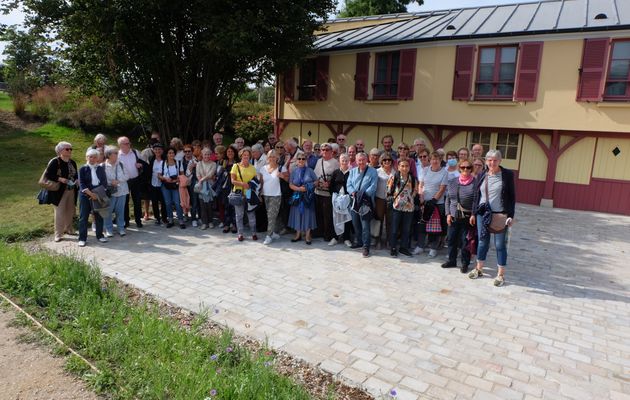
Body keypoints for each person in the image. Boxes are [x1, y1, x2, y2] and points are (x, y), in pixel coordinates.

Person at [469, 150, 516, 287]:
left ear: (500, 161)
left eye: (495, 160)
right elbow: (477, 196)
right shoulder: (482, 174)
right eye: (489, 159)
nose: (492, 162)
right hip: (482, 214)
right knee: (483, 242)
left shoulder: (507, 175)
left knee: (500, 245)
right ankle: (479, 269)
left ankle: (500, 274)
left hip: (500, 215)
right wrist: (473, 213)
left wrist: (511, 216)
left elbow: (512, 197)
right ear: (486, 161)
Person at [443, 159, 475, 272]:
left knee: (465, 241)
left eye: (468, 167)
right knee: (451, 239)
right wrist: (447, 214)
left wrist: (473, 214)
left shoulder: (475, 183)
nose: (465, 169)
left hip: (467, 217)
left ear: (471, 169)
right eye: (463, 167)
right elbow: (447, 199)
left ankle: (465, 263)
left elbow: (477, 201)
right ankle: (452, 260)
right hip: (453, 216)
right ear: (459, 168)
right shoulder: (453, 181)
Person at [46, 141, 79, 242]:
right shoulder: (55, 161)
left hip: (72, 190)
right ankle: (58, 234)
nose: (70, 151)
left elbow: (76, 174)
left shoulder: (72, 162)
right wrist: (60, 179)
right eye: (67, 149)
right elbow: (48, 175)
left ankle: (69, 229)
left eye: (70, 149)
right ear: (60, 151)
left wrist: (77, 180)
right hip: (59, 191)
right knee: (59, 212)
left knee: (70, 211)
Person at [347, 153, 378, 257]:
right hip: (354, 201)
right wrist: (354, 193)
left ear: (367, 160)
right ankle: (359, 241)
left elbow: (373, 187)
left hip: (365, 202)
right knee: (356, 223)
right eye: (359, 160)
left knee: (365, 225)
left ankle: (366, 246)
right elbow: (349, 185)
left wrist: (363, 195)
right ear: (356, 161)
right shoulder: (352, 171)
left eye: (363, 160)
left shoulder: (373, 171)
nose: (361, 162)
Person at [418, 151, 448, 257]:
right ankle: (420, 246)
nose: (434, 161)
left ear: (440, 160)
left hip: (437, 203)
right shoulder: (425, 170)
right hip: (424, 201)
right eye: (433, 159)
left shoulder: (444, 172)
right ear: (430, 160)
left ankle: (433, 248)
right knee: (422, 224)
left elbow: (442, 188)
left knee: (435, 227)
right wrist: (421, 197)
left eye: (437, 159)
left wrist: (433, 200)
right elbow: (421, 185)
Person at [387, 158, 417, 257]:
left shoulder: (412, 178)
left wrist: (410, 198)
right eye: (402, 166)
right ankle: (393, 248)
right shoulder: (394, 177)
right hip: (396, 207)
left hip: (409, 208)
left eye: (406, 166)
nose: (404, 168)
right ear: (398, 167)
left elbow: (415, 191)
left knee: (406, 229)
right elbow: (389, 191)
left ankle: (403, 248)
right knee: (394, 229)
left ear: (409, 167)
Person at [78, 148, 108, 247]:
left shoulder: (100, 168)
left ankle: (100, 235)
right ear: (87, 157)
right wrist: (91, 194)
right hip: (85, 195)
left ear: (98, 158)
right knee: (84, 217)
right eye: (90, 157)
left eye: (95, 157)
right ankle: (82, 238)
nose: (92, 159)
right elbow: (81, 183)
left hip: (98, 195)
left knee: (99, 216)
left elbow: (104, 183)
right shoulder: (83, 169)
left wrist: (97, 194)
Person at [288, 152, 317, 244]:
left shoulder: (310, 170)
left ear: (306, 160)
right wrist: (299, 189)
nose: (301, 160)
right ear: (296, 160)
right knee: (297, 214)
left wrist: (309, 186)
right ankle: (298, 234)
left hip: (307, 196)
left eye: (303, 159)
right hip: (297, 196)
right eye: (299, 158)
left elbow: (316, 181)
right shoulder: (294, 171)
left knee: (308, 214)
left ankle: (307, 235)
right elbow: (290, 184)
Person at [313, 142, 339, 244]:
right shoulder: (319, 161)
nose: (324, 151)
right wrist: (319, 182)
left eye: (327, 150)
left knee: (327, 215)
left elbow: (337, 176)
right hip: (318, 191)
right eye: (322, 150)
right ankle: (319, 232)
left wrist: (329, 183)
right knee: (318, 213)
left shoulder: (335, 162)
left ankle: (327, 234)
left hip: (328, 193)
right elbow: (315, 174)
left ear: (331, 151)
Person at [117, 136, 146, 229]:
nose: (128, 145)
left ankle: (138, 220)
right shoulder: (117, 155)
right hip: (124, 182)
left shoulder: (135, 152)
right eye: (126, 143)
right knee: (125, 202)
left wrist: (140, 165)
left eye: (129, 143)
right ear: (120, 145)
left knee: (137, 201)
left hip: (136, 180)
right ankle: (126, 221)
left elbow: (143, 163)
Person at [230, 148, 258, 241]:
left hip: (250, 194)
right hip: (238, 193)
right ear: (241, 156)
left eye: (247, 155)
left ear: (250, 156)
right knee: (239, 215)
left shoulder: (252, 167)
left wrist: (251, 184)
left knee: (251, 215)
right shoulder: (235, 166)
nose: (246, 156)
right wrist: (242, 184)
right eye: (244, 155)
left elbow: (255, 180)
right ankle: (240, 234)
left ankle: (253, 233)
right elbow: (232, 181)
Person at [103, 145, 129, 237]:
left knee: (120, 211)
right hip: (110, 192)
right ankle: (109, 229)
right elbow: (102, 179)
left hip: (122, 191)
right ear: (109, 155)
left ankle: (121, 228)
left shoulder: (121, 164)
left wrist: (118, 180)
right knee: (108, 211)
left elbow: (127, 176)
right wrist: (110, 182)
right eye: (116, 153)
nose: (118, 154)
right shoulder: (103, 166)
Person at [260, 150, 283, 245]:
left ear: (277, 158)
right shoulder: (263, 169)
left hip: (276, 195)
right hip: (265, 195)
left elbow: (288, 179)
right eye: (270, 156)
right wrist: (259, 194)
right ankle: (272, 233)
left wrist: (282, 175)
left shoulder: (281, 168)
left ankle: (268, 236)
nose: (272, 158)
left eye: (274, 156)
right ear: (267, 158)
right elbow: (261, 183)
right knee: (270, 216)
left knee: (271, 216)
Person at [330, 153, 353, 247]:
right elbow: (331, 186)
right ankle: (335, 237)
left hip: (348, 199)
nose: (344, 162)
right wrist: (334, 197)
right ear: (339, 161)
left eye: (346, 160)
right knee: (336, 218)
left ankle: (346, 238)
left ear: (349, 162)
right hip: (337, 198)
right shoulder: (335, 172)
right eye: (342, 160)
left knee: (347, 219)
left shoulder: (352, 172)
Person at [159, 147, 185, 228]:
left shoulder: (178, 163)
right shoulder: (162, 163)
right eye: (169, 153)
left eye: (173, 153)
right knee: (168, 202)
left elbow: (182, 174)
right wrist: (165, 178)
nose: (171, 154)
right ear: (167, 154)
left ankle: (181, 220)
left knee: (177, 202)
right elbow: (159, 175)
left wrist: (176, 179)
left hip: (175, 185)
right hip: (165, 185)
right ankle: (170, 219)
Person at [375, 152, 395, 249]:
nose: (387, 161)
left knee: (390, 221)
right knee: (379, 220)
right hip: (379, 199)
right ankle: (378, 239)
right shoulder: (377, 171)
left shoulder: (395, 172)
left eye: (389, 160)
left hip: (391, 200)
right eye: (385, 160)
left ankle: (389, 240)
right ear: (381, 162)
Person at [195, 147, 217, 230]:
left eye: (208, 154)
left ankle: (210, 221)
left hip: (210, 186)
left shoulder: (213, 164)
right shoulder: (199, 164)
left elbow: (211, 175)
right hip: (201, 187)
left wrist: (201, 180)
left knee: (210, 205)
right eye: (205, 154)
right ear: (202, 155)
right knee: (202, 205)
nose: (207, 156)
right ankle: (204, 222)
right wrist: (201, 180)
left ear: (210, 155)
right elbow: (197, 174)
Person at [220, 145, 239, 233]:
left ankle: (234, 225)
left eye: (231, 151)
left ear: (234, 153)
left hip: (235, 186)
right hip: (225, 187)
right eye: (228, 152)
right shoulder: (224, 162)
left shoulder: (237, 162)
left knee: (234, 206)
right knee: (226, 206)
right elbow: (219, 174)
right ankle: (227, 224)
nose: (230, 153)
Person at [149, 143, 168, 225]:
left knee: (164, 201)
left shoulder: (166, 159)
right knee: (154, 201)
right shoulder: (151, 159)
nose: (157, 151)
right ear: (153, 150)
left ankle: (164, 217)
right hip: (153, 183)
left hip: (163, 183)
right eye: (156, 149)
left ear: (162, 150)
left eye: (159, 149)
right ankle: (157, 218)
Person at [182, 144, 199, 226]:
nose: (187, 153)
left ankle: (193, 218)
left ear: (192, 152)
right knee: (184, 200)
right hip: (183, 183)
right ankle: (185, 215)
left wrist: (193, 168)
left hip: (193, 182)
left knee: (194, 200)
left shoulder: (196, 161)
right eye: (185, 151)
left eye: (189, 151)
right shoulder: (180, 162)